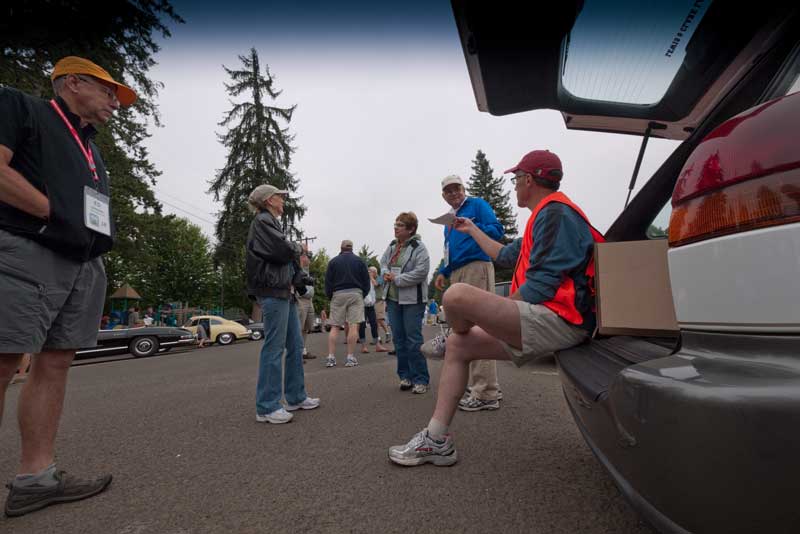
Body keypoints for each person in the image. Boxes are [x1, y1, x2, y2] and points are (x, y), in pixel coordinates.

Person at [388, 149, 604, 466]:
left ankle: (452, 332)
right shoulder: (544, 215)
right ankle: (436, 440)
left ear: (529, 180)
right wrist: (471, 229)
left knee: (457, 296)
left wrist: (489, 313)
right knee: (460, 347)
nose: (514, 185)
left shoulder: (557, 214)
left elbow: (540, 289)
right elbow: (504, 256)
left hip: (563, 320)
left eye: (516, 179)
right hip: (550, 317)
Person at [0, 56, 136, 516]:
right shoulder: (20, 106)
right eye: (108, 90)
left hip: (82, 261)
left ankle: (36, 478)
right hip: (27, 249)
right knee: (3, 359)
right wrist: (51, 212)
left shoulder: (91, 147)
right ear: (72, 82)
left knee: (55, 361)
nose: (116, 102)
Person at [428, 174, 505, 412]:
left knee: (480, 329)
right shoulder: (448, 221)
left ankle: (487, 392)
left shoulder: (477, 205)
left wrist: (471, 225)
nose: (453, 193)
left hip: (477, 266)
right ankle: (482, 386)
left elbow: (497, 231)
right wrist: (444, 270)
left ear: (464, 189)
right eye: (448, 191)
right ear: (444, 195)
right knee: (466, 332)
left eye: (456, 189)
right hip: (458, 271)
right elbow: (450, 249)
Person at [246, 184, 320, 424]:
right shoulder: (263, 222)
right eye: (280, 196)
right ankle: (266, 406)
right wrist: (298, 247)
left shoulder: (270, 222)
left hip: (283, 291)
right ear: (268, 200)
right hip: (272, 291)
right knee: (274, 347)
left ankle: (296, 396)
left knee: (295, 345)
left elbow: (283, 255)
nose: (283, 200)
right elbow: (282, 250)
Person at [380, 212, 431, 394]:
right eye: (395, 224)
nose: (395, 227)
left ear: (411, 229)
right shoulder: (393, 245)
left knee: (413, 340)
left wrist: (398, 278)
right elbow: (383, 262)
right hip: (393, 300)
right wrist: (385, 272)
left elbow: (422, 272)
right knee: (399, 340)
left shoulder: (419, 247)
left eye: (400, 225)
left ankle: (421, 379)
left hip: (412, 301)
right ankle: (405, 376)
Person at [324, 240, 371, 367]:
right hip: (356, 294)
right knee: (353, 326)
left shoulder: (333, 262)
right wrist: (363, 294)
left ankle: (331, 358)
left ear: (341, 248)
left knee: (335, 326)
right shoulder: (360, 261)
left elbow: (328, 282)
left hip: (338, 294)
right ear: (352, 248)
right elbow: (366, 281)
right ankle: (350, 357)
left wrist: (330, 296)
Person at [358, 267, 390, 354]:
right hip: (363, 305)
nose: (369, 272)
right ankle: (363, 346)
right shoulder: (361, 279)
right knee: (362, 325)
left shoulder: (375, 279)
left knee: (374, 324)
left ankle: (378, 345)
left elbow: (375, 286)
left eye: (370, 271)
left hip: (371, 304)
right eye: (368, 271)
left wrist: (371, 277)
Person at [296, 251, 317, 361]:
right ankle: (297, 354)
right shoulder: (298, 268)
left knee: (306, 328)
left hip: (309, 300)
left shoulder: (307, 270)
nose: (309, 259)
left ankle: (303, 351)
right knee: (299, 328)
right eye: (308, 257)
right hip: (301, 300)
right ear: (302, 258)